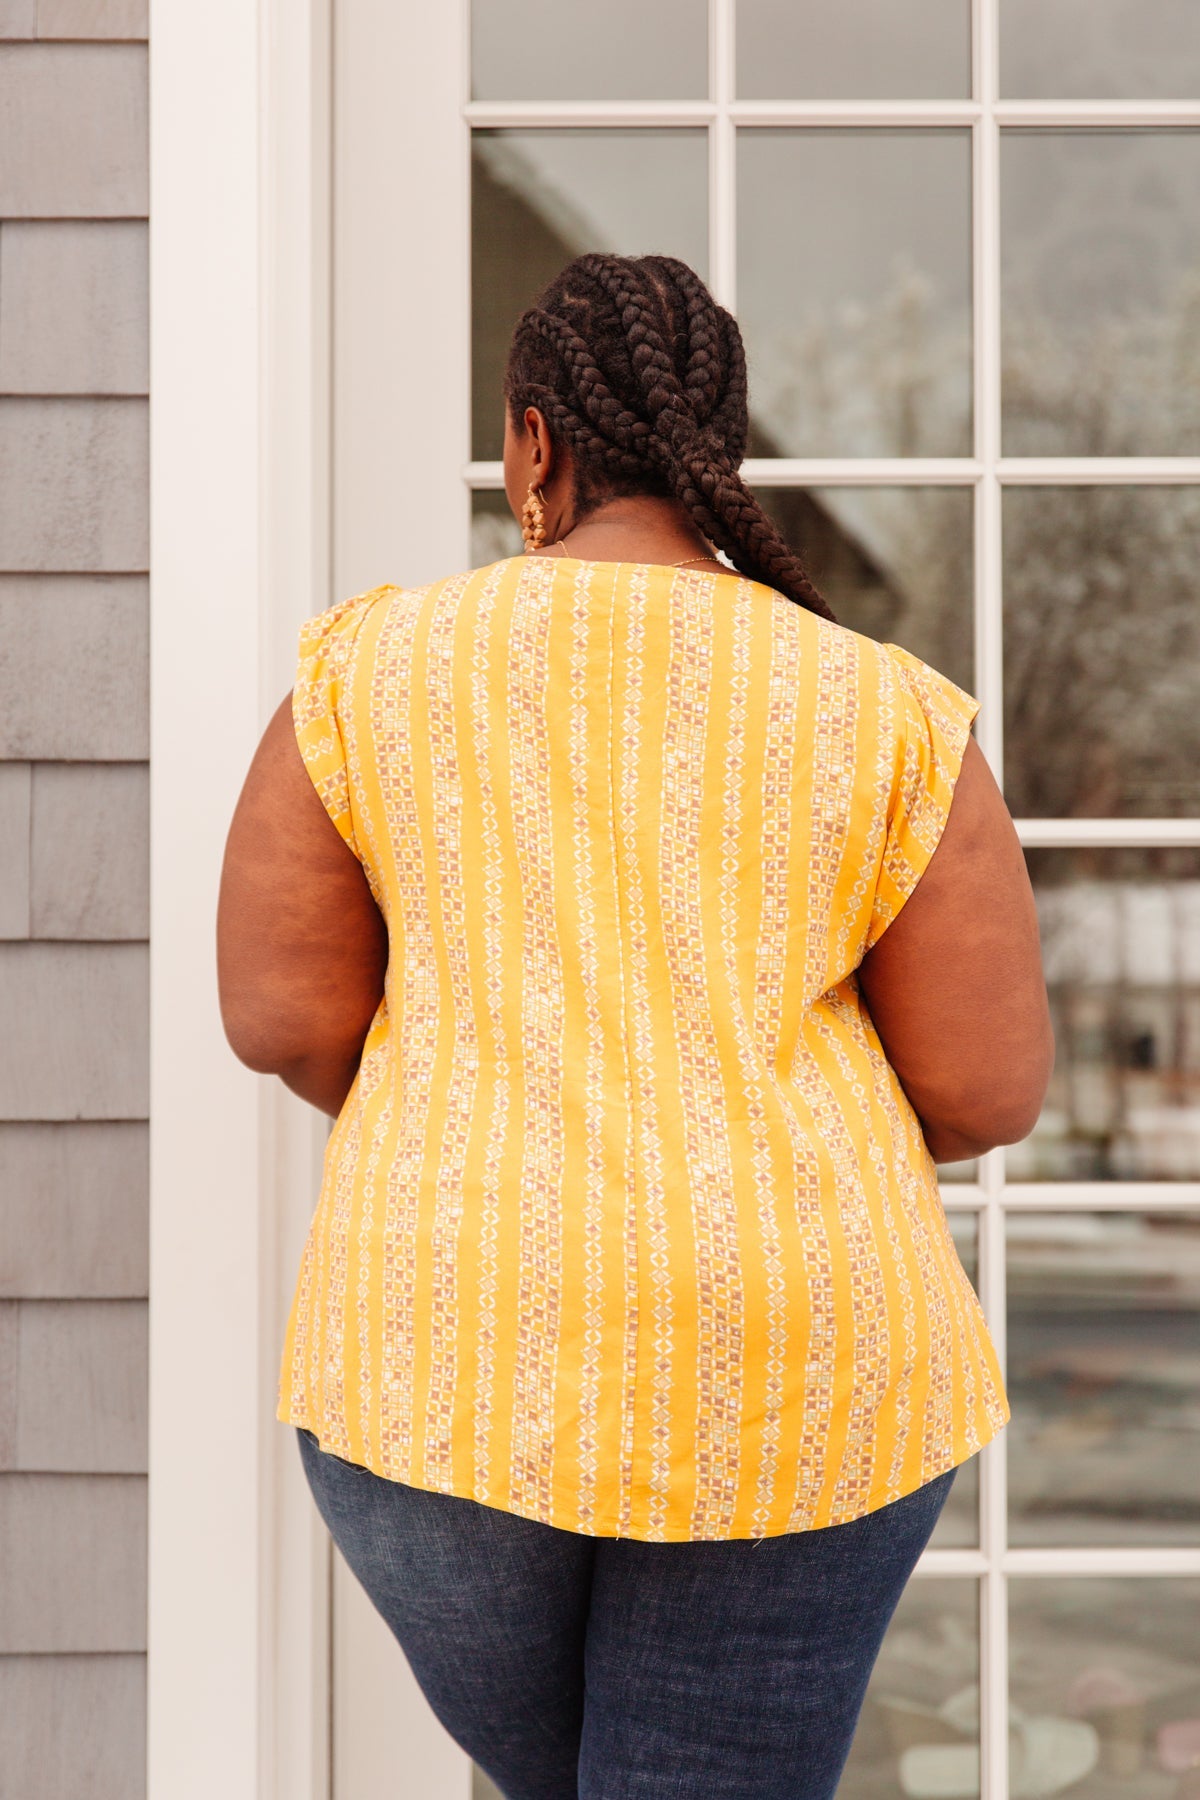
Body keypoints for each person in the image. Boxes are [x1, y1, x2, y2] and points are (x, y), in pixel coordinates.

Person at [217, 252, 1054, 1799]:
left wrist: (466, 1108)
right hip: (799, 1360)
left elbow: (281, 1015)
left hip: (439, 1351)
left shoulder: (368, 671)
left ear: (537, 444)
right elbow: (989, 1086)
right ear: (718, 450)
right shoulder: (880, 707)